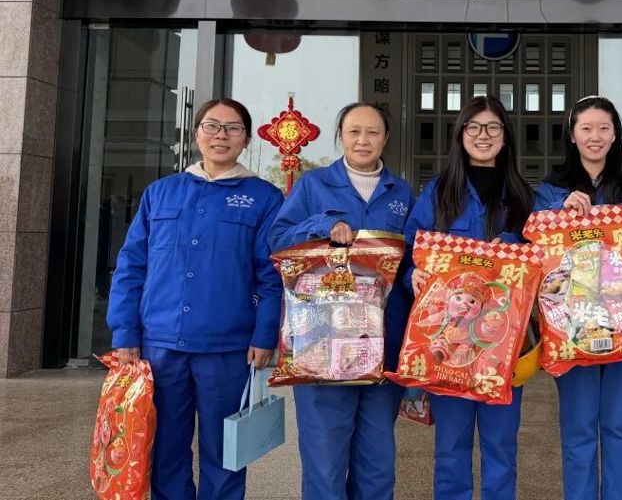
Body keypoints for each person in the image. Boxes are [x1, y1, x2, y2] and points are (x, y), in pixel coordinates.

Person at [106, 98, 284, 500]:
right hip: (160, 343)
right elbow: (131, 265)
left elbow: (271, 276)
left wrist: (265, 334)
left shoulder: (263, 198)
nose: (221, 135)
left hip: (228, 347)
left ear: (246, 139)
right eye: (212, 126)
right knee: (165, 448)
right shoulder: (161, 193)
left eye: (233, 128)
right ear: (196, 133)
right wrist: (125, 332)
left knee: (226, 451)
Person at [268, 102, 415, 500]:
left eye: (372, 132)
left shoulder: (401, 192)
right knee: (325, 463)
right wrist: (323, 226)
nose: (363, 140)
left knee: (377, 463)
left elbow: (411, 262)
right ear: (341, 137)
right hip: (322, 346)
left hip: (382, 346)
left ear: (385, 138)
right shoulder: (313, 185)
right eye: (354, 132)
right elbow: (277, 239)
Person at [532, 95, 622, 500]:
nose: (595, 136)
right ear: (572, 135)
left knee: (621, 427)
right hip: (573, 327)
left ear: (614, 135)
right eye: (586, 128)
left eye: (604, 128)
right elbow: (535, 247)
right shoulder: (549, 190)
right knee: (578, 429)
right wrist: (559, 211)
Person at [403, 94, 534, 500]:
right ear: (460, 135)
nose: (483, 135)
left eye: (493, 127)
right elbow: (412, 249)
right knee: (450, 448)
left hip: (503, 343)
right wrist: (413, 274)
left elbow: (544, 259)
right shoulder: (440, 191)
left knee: (501, 448)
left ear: (505, 136)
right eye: (473, 127)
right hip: (450, 341)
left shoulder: (522, 195)